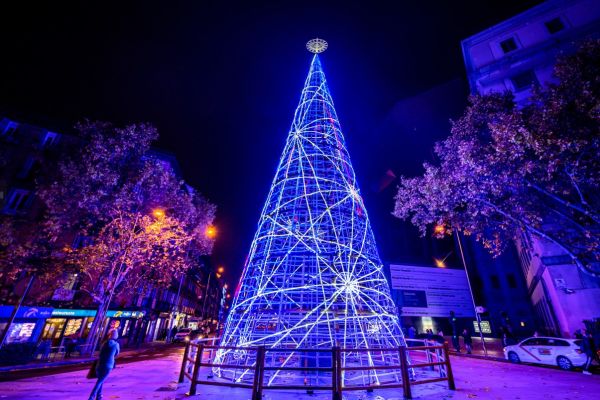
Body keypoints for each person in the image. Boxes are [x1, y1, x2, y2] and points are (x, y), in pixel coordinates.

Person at [88, 329, 120, 400]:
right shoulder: (116, 345)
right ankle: (91, 397)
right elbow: (117, 354)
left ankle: (99, 397)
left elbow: (100, 352)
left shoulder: (104, 343)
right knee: (100, 381)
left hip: (99, 364)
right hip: (108, 365)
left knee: (100, 380)